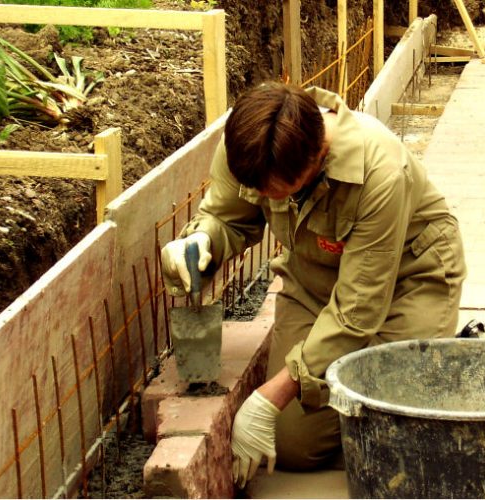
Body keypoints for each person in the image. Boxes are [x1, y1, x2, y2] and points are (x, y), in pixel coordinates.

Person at [160, 81, 466, 488]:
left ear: (318, 155)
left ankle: (455, 357)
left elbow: (357, 312)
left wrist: (270, 396)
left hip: (409, 282)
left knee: (400, 437)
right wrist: (203, 241)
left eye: (277, 192)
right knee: (292, 445)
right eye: (260, 190)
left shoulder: (380, 173)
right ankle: (382, 395)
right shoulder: (252, 143)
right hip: (316, 279)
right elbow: (230, 216)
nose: (265, 197)